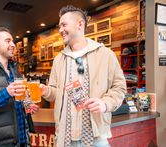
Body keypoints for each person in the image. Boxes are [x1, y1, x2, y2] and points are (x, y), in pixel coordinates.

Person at [40, 5, 126, 147]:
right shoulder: (58, 59)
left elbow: (120, 87)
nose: (60, 30)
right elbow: (55, 93)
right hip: (65, 137)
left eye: (64, 25)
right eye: (59, 26)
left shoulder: (105, 54)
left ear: (80, 24)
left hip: (96, 136)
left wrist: (105, 104)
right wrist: (45, 91)